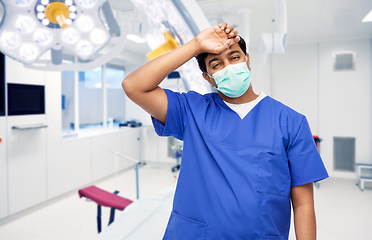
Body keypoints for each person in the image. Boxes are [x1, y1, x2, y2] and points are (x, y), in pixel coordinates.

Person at [122, 23, 328, 240]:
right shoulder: (191, 110)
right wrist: (195, 45)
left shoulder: (290, 122)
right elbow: (134, 86)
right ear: (208, 77)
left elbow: (303, 203)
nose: (228, 66)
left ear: (247, 60)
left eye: (234, 57)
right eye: (216, 64)